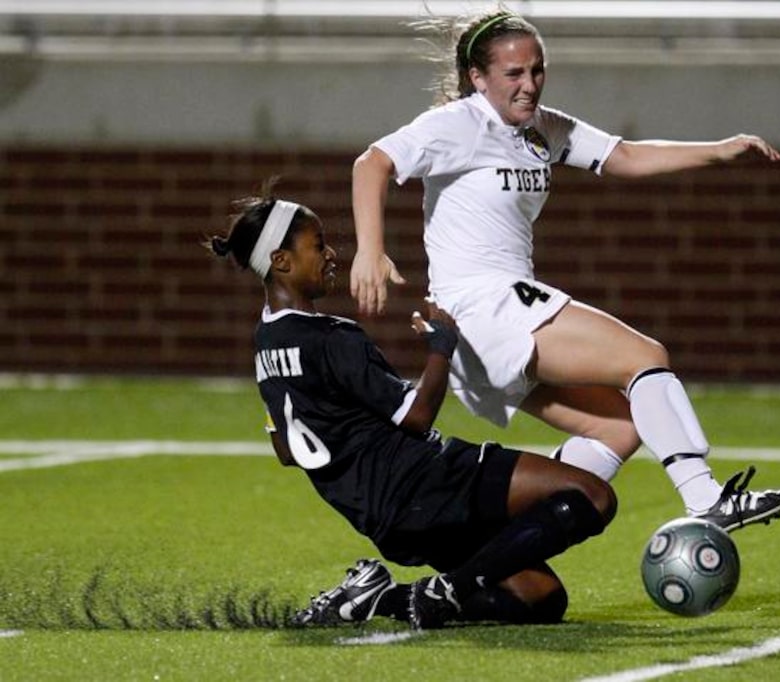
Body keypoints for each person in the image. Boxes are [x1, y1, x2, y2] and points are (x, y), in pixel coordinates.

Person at [350, 8, 780, 532]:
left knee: (619, 430)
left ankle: (499, 537)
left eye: (537, 70)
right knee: (645, 356)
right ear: (478, 78)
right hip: (483, 308)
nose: (529, 85)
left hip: (491, 326)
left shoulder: (543, 128)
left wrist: (719, 152)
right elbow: (372, 163)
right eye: (513, 74)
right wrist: (370, 251)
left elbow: (624, 155)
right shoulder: (459, 124)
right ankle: (705, 498)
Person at [206, 179, 618, 629]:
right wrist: (442, 347)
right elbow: (418, 417)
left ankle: (384, 597)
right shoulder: (332, 338)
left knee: (539, 601)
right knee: (591, 495)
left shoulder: (266, 343)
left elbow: (287, 452)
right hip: (426, 483)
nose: (331, 255)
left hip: (387, 519)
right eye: (318, 245)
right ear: (281, 261)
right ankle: (449, 591)